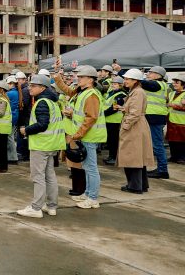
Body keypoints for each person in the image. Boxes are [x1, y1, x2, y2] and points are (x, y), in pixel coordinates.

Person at [55, 65, 106, 209]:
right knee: (87, 166)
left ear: (90, 79)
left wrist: (78, 134)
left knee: (91, 168)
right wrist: (58, 78)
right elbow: (69, 91)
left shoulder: (91, 95)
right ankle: (88, 193)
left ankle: (93, 198)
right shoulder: (83, 92)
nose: (78, 79)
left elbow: (91, 118)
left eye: (81, 77)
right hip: (85, 135)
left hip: (89, 136)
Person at [17, 74, 63, 218]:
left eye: (33, 86)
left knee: (38, 176)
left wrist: (26, 130)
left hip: (41, 145)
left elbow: (42, 124)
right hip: (52, 144)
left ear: (42, 88)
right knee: (49, 176)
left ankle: (36, 207)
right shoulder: (52, 101)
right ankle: (51, 206)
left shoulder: (42, 102)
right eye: (30, 85)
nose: (30, 88)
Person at [116, 68, 155, 193]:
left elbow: (135, 112)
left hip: (134, 126)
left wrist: (126, 125)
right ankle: (141, 185)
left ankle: (135, 186)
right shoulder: (136, 91)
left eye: (128, 79)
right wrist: (124, 109)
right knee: (137, 157)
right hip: (136, 125)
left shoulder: (137, 92)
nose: (125, 81)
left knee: (132, 157)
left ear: (135, 80)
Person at [141, 66, 171, 179]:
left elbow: (147, 84)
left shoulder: (158, 84)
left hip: (155, 117)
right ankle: (161, 169)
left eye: (151, 72)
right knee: (155, 144)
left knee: (157, 145)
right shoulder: (155, 84)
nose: (148, 74)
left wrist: (137, 77)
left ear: (158, 75)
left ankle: (163, 170)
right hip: (152, 117)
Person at [102, 76, 127, 165]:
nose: (113, 85)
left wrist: (102, 114)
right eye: (112, 83)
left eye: (115, 84)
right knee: (110, 140)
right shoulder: (111, 93)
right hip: (109, 120)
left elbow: (114, 108)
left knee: (114, 140)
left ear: (120, 85)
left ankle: (113, 158)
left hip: (115, 121)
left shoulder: (121, 95)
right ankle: (111, 156)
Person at [166, 75, 185, 164]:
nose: (174, 84)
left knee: (181, 141)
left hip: (182, 122)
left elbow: (183, 107)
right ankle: (174, 156)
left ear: (183, 84)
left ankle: (182, 158)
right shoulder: (171, 93)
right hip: (171, 120)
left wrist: (173, 105)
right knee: (172, 140)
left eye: (177, 82)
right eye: (174, 82)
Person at [15, 71, 32, 161]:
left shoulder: (25, 90)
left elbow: (24, 104)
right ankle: (24, 153)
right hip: (25, 116)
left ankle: (24, 154)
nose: (17, 81)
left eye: (18, 80)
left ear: (24, 80)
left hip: (25, 116)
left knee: (23, 135)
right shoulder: (23, 88)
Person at [5, 75, 20, 164]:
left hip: (11, 117)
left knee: (10, 138)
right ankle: (12, 156)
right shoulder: (16, 92)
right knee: (11, 137)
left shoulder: (10, 93)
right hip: (15, 116)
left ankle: (13, 157)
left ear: (11, 84)